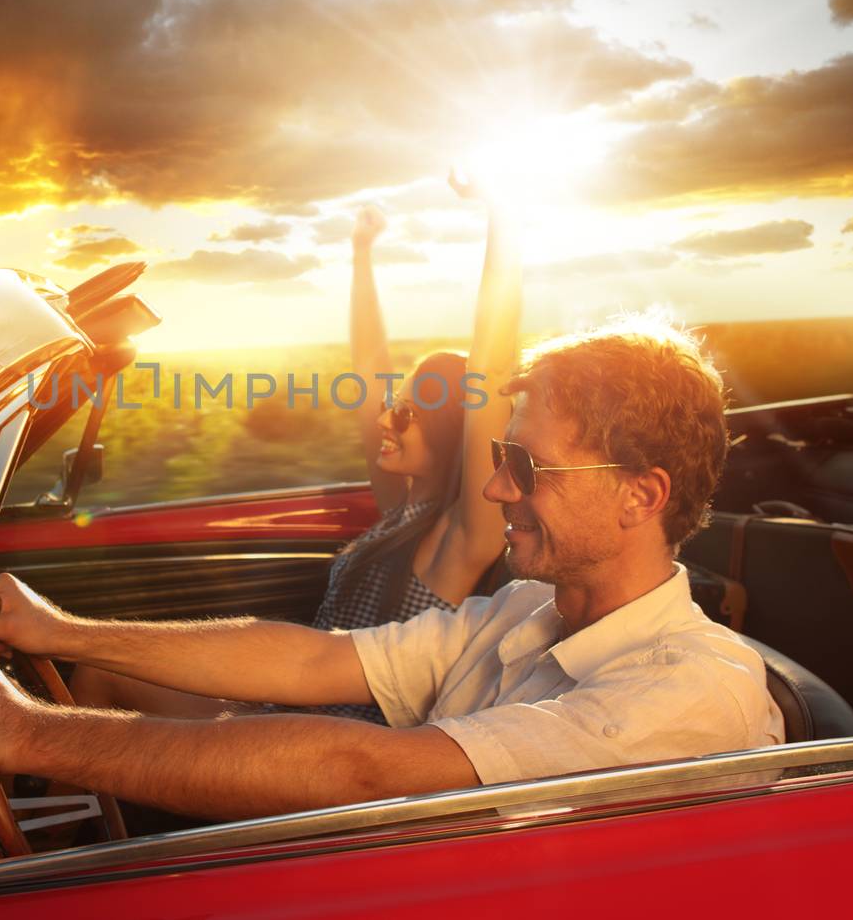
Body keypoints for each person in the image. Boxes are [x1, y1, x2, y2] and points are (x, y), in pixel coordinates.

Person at [0, 317, 784, 822]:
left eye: (526, 465)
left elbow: (365, 772)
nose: (493, 485)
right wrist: (60, 629)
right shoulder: (526, 608)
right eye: (496, 455)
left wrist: (22, 731)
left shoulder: (691, 691)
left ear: (641, 495)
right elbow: (313, 659)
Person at [69, 171, 522, 722]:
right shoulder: (402, 509)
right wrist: (361, 253)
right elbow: (367, 368)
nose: (385, 417)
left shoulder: (461, 539)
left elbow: (493, 367)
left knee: (97, 676)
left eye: (405, 414)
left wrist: (501, 212)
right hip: (283, 707)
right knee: (98, 673)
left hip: (333, 738)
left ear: (454, 432)